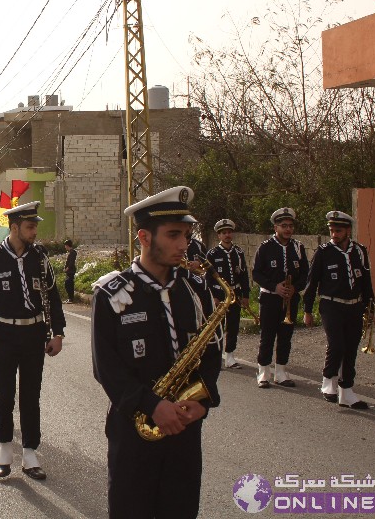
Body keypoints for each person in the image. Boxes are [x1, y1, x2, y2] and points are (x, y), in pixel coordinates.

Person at [92, 186, 220, 518]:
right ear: (145, 238)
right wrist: (153, 405)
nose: (184, 244)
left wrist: (202, 402)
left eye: (187, 235)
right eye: (174, 235)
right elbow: (106, 368)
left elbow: (211, 352)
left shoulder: (194, 289)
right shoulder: (113, 294)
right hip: (135, 429)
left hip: (184, 428)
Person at [0, 201, 65, 480]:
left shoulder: (40, 257)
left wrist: (58, 333)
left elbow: (54, 296)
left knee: (31, 395)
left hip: (34, 333)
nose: (35, 231)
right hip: (5, 334)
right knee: (5, 396)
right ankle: (3, 449)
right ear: (14, 228)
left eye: (35, 226)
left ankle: (30, 453)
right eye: (30, 226)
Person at [303, 211, 372, 408]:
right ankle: (327, 382)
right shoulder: (323, 252)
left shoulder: (359, 251)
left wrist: (370, 306)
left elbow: (365, 281)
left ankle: (346, 391)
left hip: (354, 306)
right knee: (337, 344)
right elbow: (311, 283)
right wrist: (308, 310)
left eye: (338, 230)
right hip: (331, 304)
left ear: (348, 231)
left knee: (351, 348)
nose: (334, 234)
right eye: (332, 230)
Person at [252, 207, 309, 388]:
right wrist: (274, 286)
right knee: (267, 337)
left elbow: (306, 274)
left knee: (285, 337)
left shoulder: (298, 247)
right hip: (270, 299)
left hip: (290, 299)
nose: (288, 229)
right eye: (284, 226)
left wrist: (295, 288)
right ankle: (263, 373)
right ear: (275, 228)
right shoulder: (265, 247)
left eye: (291, 226)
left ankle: (281, 372)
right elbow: (256, 274)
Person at [206, 219, 250, 369]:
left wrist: (246, 295)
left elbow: (244, 275)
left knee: (233, 325)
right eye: (224, 233)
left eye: (229, 232)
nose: (227, 235)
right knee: (218, 326)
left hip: (235, 293)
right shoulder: (212, 253)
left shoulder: (238, 252)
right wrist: (213, 296)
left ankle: (230, 356)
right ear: (219, 236)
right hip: (219, 294)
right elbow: (208, 278)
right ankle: (217, 356)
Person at [63, 239, 77, 303]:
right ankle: (70, 298)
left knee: (68, 284)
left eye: (65, 245)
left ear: (67, 245)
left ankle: (71, 298)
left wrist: (67, 269)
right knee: (68, 284)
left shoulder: (72, 252)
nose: (65, 247)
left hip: (71, 271)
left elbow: (71, 263)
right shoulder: (71, 252)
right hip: (69, 271)